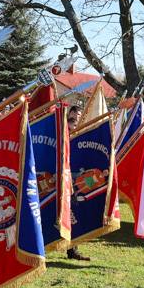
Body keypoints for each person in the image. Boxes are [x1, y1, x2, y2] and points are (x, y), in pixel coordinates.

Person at [65, 106, 91, 259]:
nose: (73, 128)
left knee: (73, 213)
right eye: (75, 114)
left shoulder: (81, 133)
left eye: (79, 115)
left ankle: (72, 249)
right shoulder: (61, 133)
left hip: (76, 178)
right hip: (61, 177)